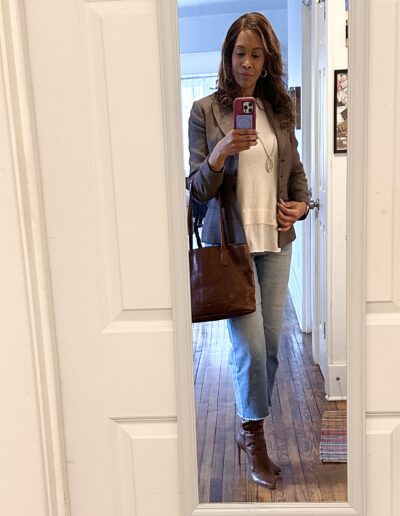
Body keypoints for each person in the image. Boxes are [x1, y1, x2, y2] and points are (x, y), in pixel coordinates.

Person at [187, 12, 310, 489]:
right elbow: (198, 188)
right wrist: (220, 153)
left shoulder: (279, 110)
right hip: (233, 247)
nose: (247, 63)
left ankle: (249, 424)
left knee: (271, 348)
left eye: (257, 55)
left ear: (267, 60)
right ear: (228, 55)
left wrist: (301, 205)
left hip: (276, 242)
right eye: (240, 53)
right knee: (251, 348)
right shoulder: (205, 111)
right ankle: (252, 435)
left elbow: (295, 172)